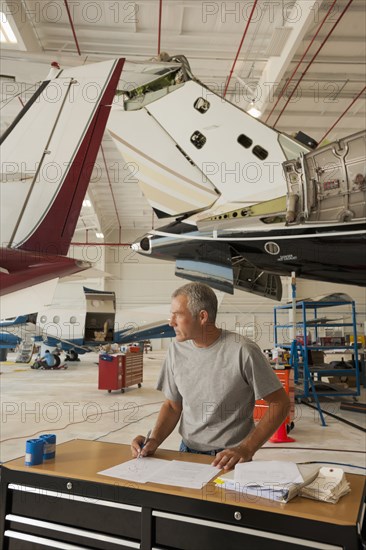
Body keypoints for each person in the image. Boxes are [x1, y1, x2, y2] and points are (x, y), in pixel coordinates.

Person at [131, 282, 290, 470]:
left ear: (202, 316)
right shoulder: (176, 350)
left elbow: (280, 403)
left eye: (178, 315)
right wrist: (154, 440)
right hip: (186, 450)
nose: (170, 322)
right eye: (171, 314)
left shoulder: (243, 350)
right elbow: (173, 406)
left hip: (229, 458)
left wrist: (246, 449)